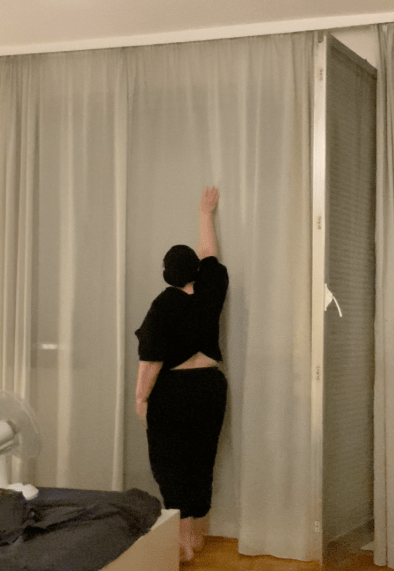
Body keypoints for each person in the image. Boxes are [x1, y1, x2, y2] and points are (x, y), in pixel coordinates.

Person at [134, 187, 228, 563]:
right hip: (210, 387)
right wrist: (205, 215)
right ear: (196, 271)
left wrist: (141, 397)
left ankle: (182, 540)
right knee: (202, 459)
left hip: (172, 391)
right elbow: (209, 254)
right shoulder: (211, 289)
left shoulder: (164, 304)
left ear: (166, 273)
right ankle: (196, 534)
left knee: (171, 463)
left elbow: (151, 360)